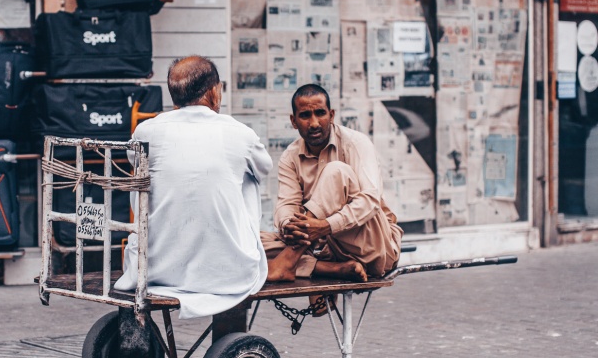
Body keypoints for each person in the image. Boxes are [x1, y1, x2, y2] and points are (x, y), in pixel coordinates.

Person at [114, 56, 272, 319]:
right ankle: (230, 249)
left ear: (175, 96)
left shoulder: (146, 131)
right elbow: (264, 168)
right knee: (248, 177)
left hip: (153, 267)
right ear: (214, 91)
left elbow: (135, 161)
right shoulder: (239, 133)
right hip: (226, 272)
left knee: (151, 175)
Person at [261, 84, 403, 283]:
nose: (314, 123)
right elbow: (286, 206)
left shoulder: (356, 143)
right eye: (305, 115)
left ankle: (291, 261)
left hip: (373, 246)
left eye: (320, 113)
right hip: (325, 248)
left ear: (332, 114)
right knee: (254, 244)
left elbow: (370, 201)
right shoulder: (289, 156)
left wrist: (325, 226)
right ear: (293, 121)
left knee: (337, 171)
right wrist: (290, 228)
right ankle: (332, 269)